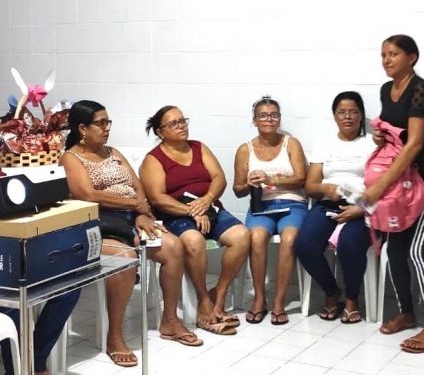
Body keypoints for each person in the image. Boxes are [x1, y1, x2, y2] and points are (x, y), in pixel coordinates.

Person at [60, 101, 202, 369]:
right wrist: (134, 205)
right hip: (100, 226)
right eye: (100, 123)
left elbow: (138, 187)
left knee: (173, 247)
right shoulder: (71, 158)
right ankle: (114, 336)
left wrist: (141, 213)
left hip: (132, 220)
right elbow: (87, 195)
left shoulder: (113, 152)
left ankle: (170, 321)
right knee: (125, 260)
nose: (107, 128)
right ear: (82, 128)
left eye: (108, 122)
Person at [363, 34, 424, 353]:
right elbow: (396, 136)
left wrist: (380, 185)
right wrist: (380, 137)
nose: (386, 60)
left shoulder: (420, 89)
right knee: (396, 249)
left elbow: (414, 144)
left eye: (393, 54)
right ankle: (406, 311)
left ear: (412, 57)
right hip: (405, 182)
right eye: (383, 55)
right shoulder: (386, 90)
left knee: (417, 251)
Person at [140, 106, 250, 336]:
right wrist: (191, 211)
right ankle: (204, 302)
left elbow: (219, 177)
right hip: (175, 214)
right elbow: (157, 198)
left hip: (209, 209)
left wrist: (208, 199)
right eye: (174, 123)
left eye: (183, 120)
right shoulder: (154, 159)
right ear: (160, 131)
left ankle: (218, 295)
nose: (181, 126)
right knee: (193, 240)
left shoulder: (199, 147)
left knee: (242, 236)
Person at [294, 91, 376, 324]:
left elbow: (384, 185)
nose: (347, 116)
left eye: (353, 112)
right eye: (342, 112)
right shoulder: (324, 143)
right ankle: (332, 292)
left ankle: (352, 299)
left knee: (350, 243)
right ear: (334, 116)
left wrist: (361, 209)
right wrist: (326, 188)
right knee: (305, 245)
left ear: (361, 115)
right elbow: (310, 186)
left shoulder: (372, 143)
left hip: (363, 206)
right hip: (328, 203)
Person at [232, 97, 308, 325]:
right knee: (256, 237)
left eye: (274, 115)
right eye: (263, 116)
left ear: (279, 118)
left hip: (292, 203)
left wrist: (271, 179)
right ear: (254, 120)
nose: (269, 120)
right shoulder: (245, 150)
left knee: (290, 238)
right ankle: (259, 299)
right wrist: (249, 184)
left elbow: (301, 178)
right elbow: (237, 190)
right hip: (261, 206)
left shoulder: (291, 144)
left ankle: (279, 301)